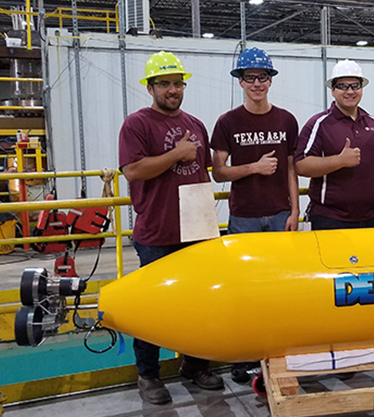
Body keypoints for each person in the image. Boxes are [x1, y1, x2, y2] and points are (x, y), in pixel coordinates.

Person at [118, 51, 223, 405]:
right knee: (153, 309)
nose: (172, 89)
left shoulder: (196, 124)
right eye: (164, 83)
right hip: (157, 233)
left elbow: (202, 173)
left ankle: (195, 363)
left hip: (196, 230)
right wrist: (176, 154)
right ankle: (147, 375)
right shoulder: (137, 124)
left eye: (177, 83)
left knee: (199, 304)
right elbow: (132, 171)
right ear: (151, 88)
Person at [209, 46, 300, 383]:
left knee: (280, 289)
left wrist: (295, 211)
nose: (257, 84)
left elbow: (292, 169)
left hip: (279, 215)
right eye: (250, 78)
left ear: (270, 81)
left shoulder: (286, 120)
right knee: (245, 290)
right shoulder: (227, 123)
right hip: (244, 217)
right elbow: (218, 172)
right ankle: (243, 358)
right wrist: (254, 168)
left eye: (263, 77)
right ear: (241, 82)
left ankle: (278, 352)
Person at [295, 59, 374, 230]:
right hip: (329, 219)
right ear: (332, 90)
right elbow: (301, 165)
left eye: (355, 86)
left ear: (361, 89)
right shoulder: (319, 125)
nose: (350, 91)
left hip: (371, 219)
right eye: (343, 86)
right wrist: (339, 161)